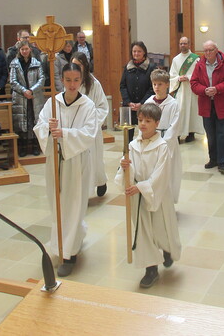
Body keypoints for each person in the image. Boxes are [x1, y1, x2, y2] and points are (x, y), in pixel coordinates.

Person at [34, 63, 97, 277]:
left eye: (76, 80)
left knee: (73, 204)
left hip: (76, 161)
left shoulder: (87, 105)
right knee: (57, 204)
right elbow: (39, 126)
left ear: (81, 81)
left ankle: (69, 254)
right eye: (68, 80)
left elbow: (89, 134)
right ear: (61, 80)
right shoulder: (53, 103)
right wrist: (47, 129)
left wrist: (65, 134)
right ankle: (61, 242)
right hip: (55, 160)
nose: (72, 85)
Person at [115, 103, 181, 288]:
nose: (143, 124)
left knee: (160, 229)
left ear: (157, 123)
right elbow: (129, 169)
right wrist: (125, 167)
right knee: (143, 232)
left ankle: (166, 249)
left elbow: (161, 175)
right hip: (138, 198)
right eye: (140, 120)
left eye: (148, 121)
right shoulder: (132, 145)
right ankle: (151, 269)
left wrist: (142, 187)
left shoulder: (162, 147)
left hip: (156, 195)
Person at [190, 40, 224, 175]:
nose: (208, 53)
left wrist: (217, 89)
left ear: (216, 50)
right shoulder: (199, 65)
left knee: (222, 133)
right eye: (205, 50)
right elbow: (193, 83)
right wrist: (204, 90)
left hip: (222, 104)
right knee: (210, 133)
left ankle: (222, 162)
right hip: (206, 104)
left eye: (210, 50)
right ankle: (213, 159)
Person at [71, 52, 109, 198]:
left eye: (79, 65)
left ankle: (100, 181)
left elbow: (102, 107)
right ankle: (82, 192)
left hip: (91, 128)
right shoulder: (71, 82)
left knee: (94, 159)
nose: (76, 68)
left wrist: (90, 122)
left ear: (85, 66)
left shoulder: (93, 83)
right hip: (76, 130)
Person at [146, 69, 181, 203]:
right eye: (154, 84)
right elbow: (144, 123)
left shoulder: (173, 104)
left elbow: (174, 127)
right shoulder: (149, 102)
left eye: (160, 84)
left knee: (169, 174)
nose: (157, 87)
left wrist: (162, 143)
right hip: (151, 142)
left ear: (167, 85)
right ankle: (154, 200)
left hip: (168, 144)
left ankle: (168, 202)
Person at [9, 40, 45, 157]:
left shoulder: (37, 63)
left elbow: (42, 79)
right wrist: (24, 91)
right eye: (22, 49)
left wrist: (31, 90)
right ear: (19, 51)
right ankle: (23, 147)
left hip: (35, 97)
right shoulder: (14, 63)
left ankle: (36, 145)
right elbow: (13, 81)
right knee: (22, 122)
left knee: (34, 120)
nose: (24, 51)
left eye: (26, 49)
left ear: (30, 49)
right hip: (21, 97)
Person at [169, 36, 202, 143]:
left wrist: (189, 77)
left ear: (189, 44)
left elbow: (200, 75)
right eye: (181, 43)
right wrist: (178, 78)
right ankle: (177, 134)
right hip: (180, 89)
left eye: (185, 43)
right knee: (179, 111)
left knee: (191, 111)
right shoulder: (175, 59)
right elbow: (172, 75)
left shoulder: (196, 58)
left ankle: (191, 133)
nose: (183, 45)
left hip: (191, 90)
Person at [120, 41, 156, 135]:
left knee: (145, 133)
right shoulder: (127, 67)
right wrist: (128, 102)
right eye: (134, 51)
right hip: (129, 107)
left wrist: (142, 103)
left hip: (145, 106)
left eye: (139, 51)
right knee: (128, 136)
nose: (136, 53)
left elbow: (152, 88)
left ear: (144, 52)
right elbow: (122, 86)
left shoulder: (151, 67)